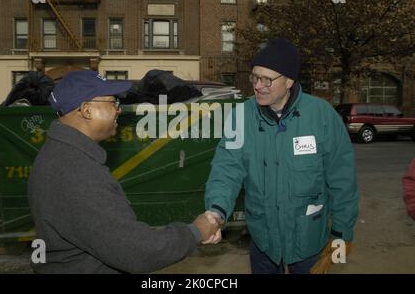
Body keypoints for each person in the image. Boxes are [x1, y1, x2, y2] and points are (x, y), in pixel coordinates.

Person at [28, 70, 219, 274]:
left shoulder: (61, 154)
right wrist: (195, 231)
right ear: (86, 110)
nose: (118, 110)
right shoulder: (75, 171)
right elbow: (137, 250)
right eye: (112, 103)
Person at [204, 38, 360, 274]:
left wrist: (341, 232)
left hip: (309, 240)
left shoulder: (322, 116)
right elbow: (227, 169)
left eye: (267, 79)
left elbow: (342, 179)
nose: (258, 85)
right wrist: (216, 212)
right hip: (263, 241)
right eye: (255, 77)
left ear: (289, 81)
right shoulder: (241, 116)